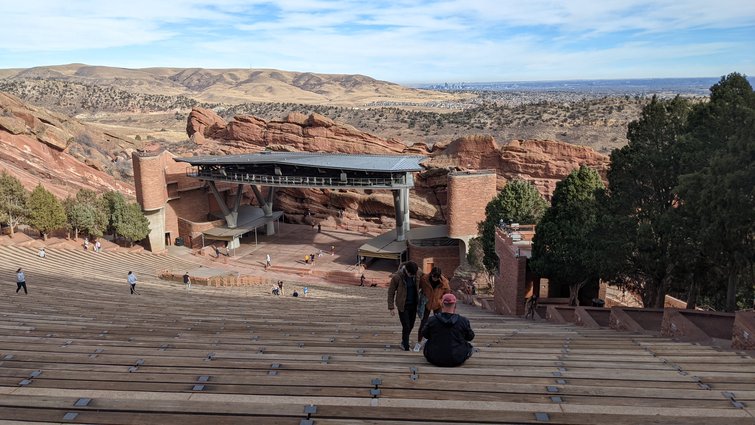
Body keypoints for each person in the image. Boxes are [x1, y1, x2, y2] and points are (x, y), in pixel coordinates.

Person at [422, 294, 475, 367]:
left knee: (425, 342)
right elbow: (470, 337)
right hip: (457, 358)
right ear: (455, 305)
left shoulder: (432, 320)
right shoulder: (463, 321)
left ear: (442, 304)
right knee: (471, 347)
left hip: (435, 358)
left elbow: (425, 334)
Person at [387, 261, 422, 351]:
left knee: (411, 325)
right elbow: (391, 292)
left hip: (414, 304)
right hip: (403, 305)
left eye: (413, 274)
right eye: (410, 274)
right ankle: (405, 346)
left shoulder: (417, 272)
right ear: (406, 269)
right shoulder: (397, 277)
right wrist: (391, 307)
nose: (412, 276)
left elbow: (426, 277)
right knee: (406, 326)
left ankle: (404, 341)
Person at [417, 266, 451, 344]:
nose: (435, 279)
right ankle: (419, 341)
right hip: (426, 303)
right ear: (431, 274)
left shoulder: (444, 282)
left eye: (437, 277)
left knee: (439, 323)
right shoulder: (424, 279)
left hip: (438, 304)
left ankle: (438, 340)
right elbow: (418, 287)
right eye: (434, 277)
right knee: (423, 323)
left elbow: (447, 292)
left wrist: (442, 300)